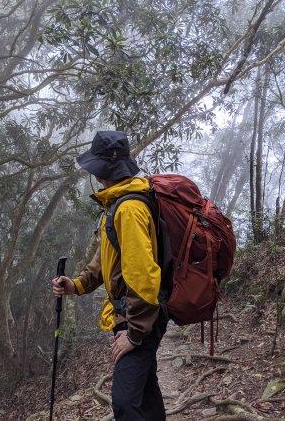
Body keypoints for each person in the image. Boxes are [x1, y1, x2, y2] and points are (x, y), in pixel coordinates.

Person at [52, 130, 167, 421]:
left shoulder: (128, 209)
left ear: (103, 170)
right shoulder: (115, 205)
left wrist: (135, 334)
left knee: (125, 403)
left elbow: (144, 276)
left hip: (139, 318)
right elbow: (107, 262)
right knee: (146, 393)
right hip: (134, 315)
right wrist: (76, 285)